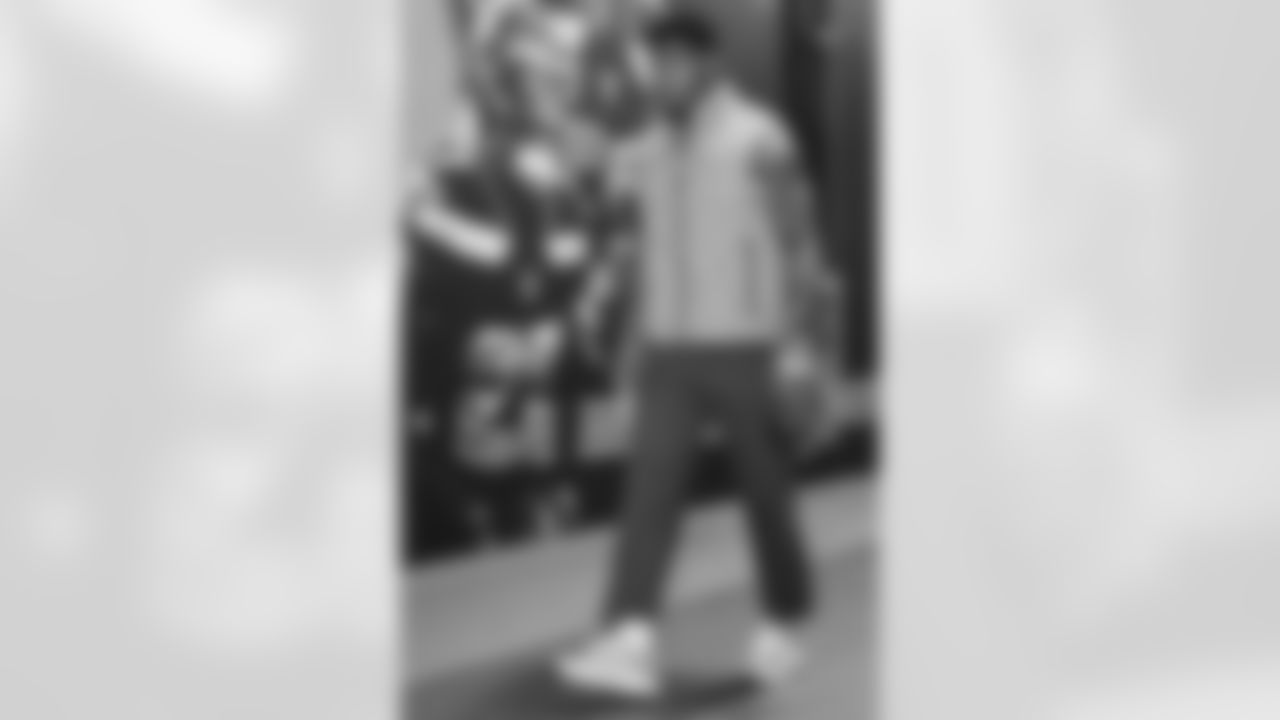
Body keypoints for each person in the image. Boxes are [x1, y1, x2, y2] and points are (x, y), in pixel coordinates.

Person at [555, 8, 833, 698]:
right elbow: (630, 252)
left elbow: (800, 242)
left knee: (767, 495)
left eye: (677, 61)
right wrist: (627, 368)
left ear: (709, 64)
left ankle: (786, 617)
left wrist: (800, 342)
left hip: (748, 346)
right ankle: (629, 637)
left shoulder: (759, 137)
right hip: (669, 353)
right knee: (648, 493)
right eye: (657, 62)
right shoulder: (643, 152)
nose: (664, 74)